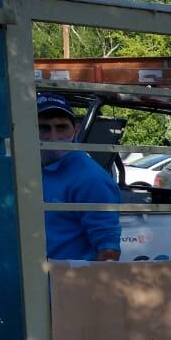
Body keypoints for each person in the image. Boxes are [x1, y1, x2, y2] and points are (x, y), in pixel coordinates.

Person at [37, 93, 122, 261]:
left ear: (75, 129)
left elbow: (108, 252)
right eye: (44, 128)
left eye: (61, 127)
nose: (53, 136)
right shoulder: (31, 170)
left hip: (67, 281)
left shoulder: (90, 179)